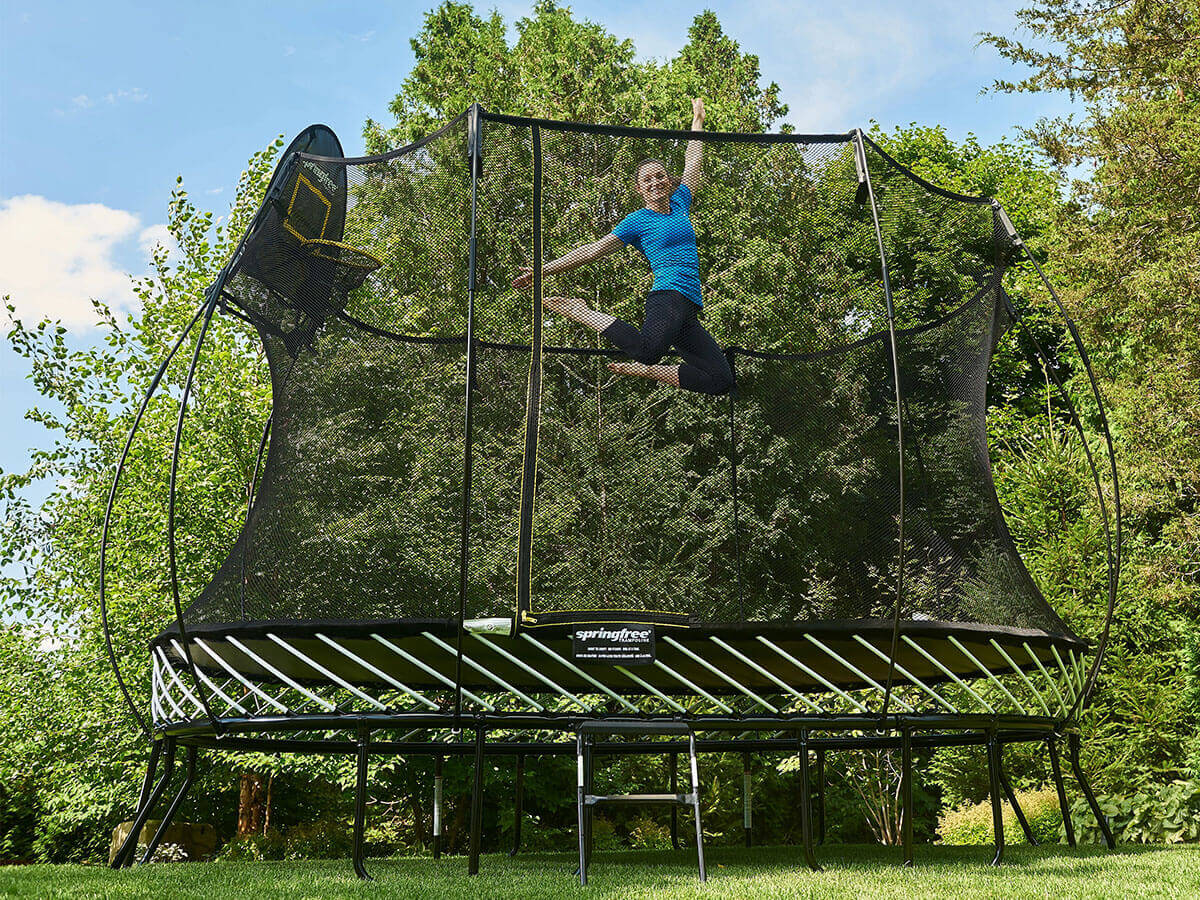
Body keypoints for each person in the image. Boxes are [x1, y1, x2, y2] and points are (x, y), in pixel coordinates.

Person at [511, 98, 734, 396]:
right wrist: (543, 270)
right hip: (668, 296)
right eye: (647, 179)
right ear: (639, 189)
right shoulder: (637, 222)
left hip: (689, 308)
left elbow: (692, 162)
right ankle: (581, 312)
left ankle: (650, 370)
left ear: (668, 181)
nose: (655, 181)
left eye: (659, 176)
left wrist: (697, 122)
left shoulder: (680, 201)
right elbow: (593, 250)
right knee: (647, 349)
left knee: (721, 380)